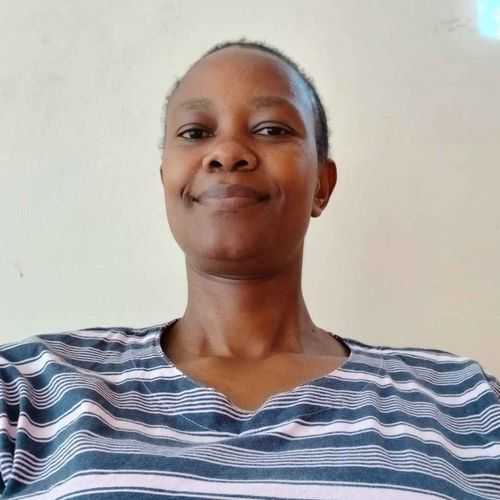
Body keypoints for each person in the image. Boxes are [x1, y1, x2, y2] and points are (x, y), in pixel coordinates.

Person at [0, 38, 499, 500]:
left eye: (271, 130)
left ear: (322, 185)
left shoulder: (465, 404)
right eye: (196, 133)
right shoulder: (29, 390)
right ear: (165, 180)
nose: (227, 153)